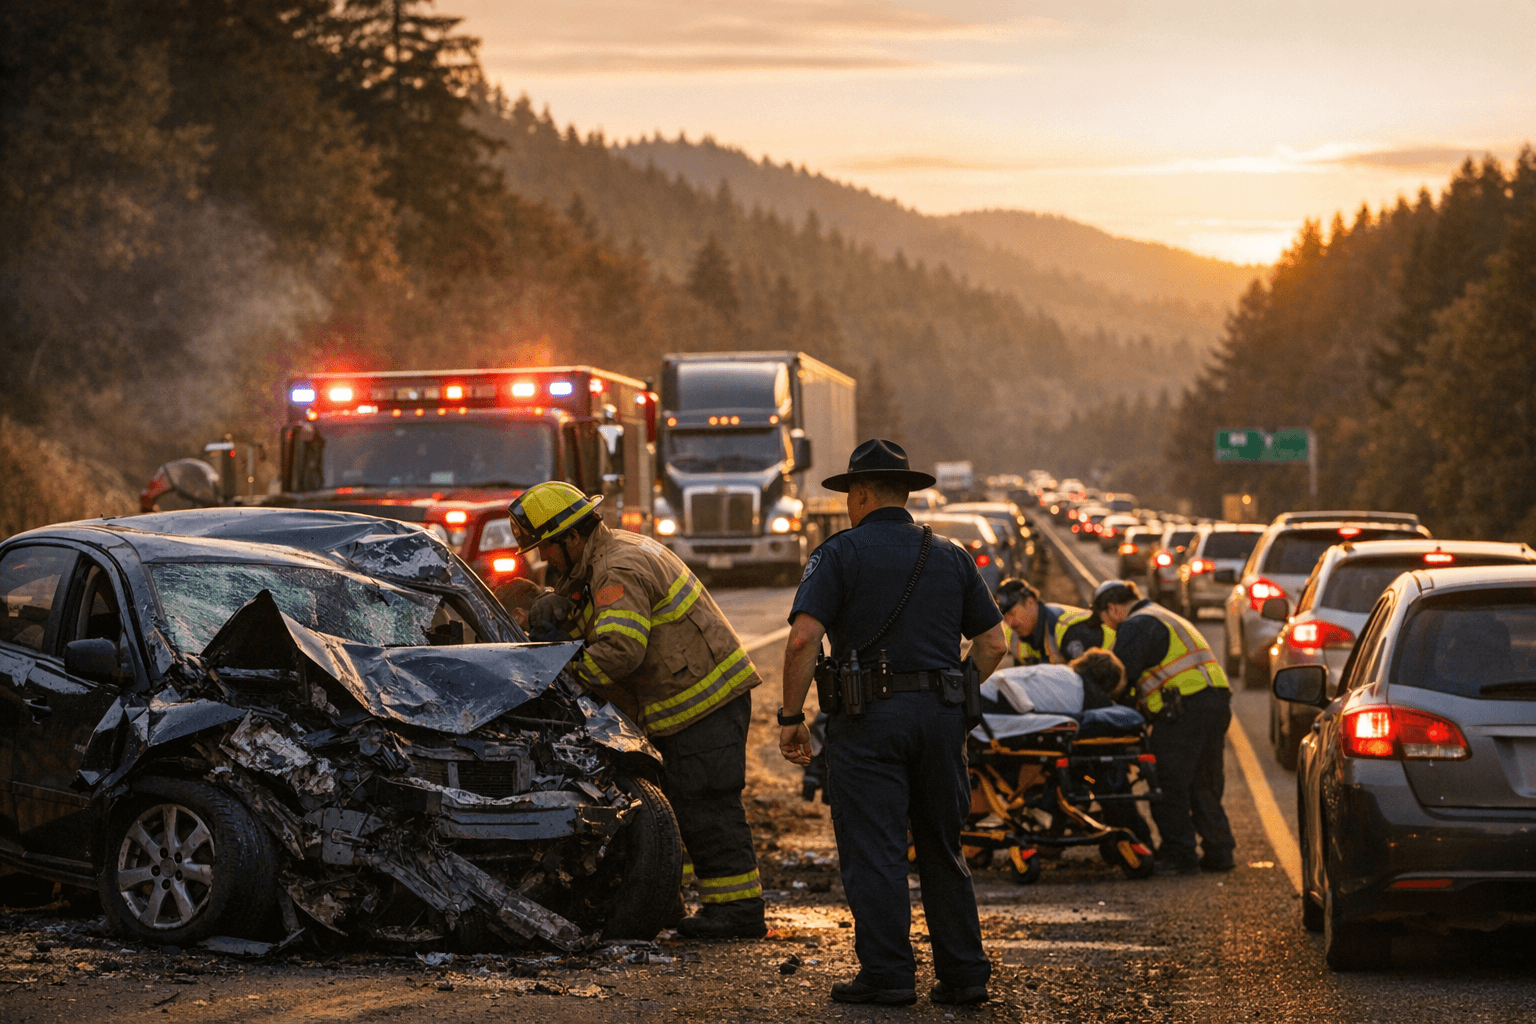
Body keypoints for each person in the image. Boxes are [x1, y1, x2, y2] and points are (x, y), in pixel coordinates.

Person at [778, 439, 1008, 1007]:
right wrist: (953, 691)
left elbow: (805, 638)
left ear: (858, 495)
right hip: (940, 720)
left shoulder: (838, 554)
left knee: (875, 849)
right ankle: (963, 975)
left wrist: (791, 717)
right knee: (942, 847)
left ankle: (887, 975)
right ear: (905, 493)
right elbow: (994, 643)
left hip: (866, 722)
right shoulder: (952, 554)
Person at [505, 481, 767, 938]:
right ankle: (678, 906)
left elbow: (621, 650)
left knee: (705, 807)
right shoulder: (601, 560)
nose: (544, 558)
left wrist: (559, 683)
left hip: (703, 703)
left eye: (547, 547)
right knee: (680, 807)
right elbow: (578, 605)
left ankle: (738, 913)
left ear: (571, 537)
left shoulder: (617, 567)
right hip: (683, 705)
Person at [1100, 579, 1235, 875]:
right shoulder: (1165, 615)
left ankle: (1179, 855)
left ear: (1112, 609)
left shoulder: (1136, 625)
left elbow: (1120, 678)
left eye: (1106, 623)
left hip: (1182, 709)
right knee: (1204, 781)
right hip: (1214, 701)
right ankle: (1219, 851)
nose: (1110, 630)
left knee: (1167, 782)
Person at [994, 578, 1112, 665]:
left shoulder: (1069, 629)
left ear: (1030, 602)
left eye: (1012, 613)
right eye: (1004, 616)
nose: (1010, 622)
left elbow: (1086, 686)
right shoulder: (1014, 636)